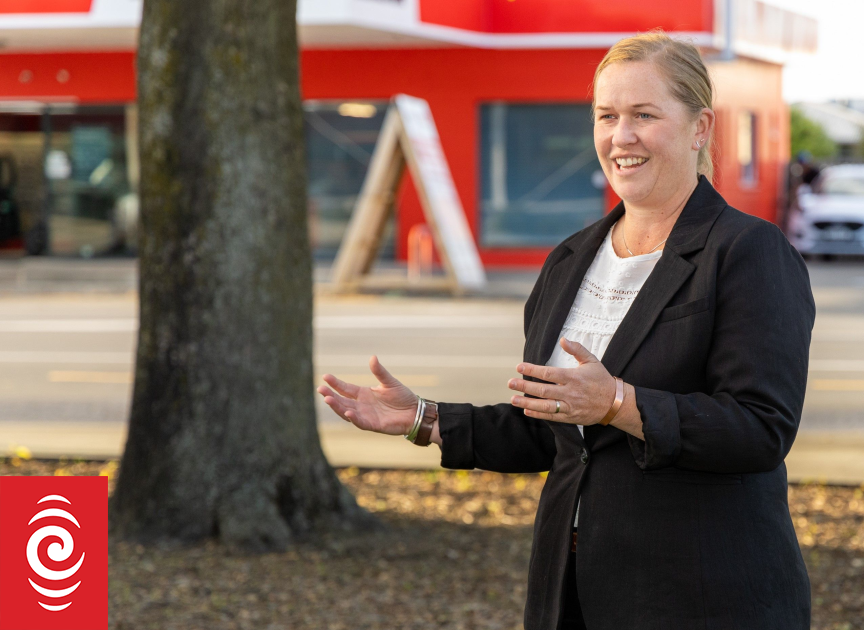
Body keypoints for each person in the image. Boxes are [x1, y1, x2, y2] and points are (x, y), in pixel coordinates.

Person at [318, 30, 816, 630]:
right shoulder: (572, 258)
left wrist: (619, 403)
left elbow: (760, 429)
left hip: (701, 598)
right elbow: (549, 432)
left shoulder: (746, 252)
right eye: (606, 116)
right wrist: (424, 418)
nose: (620, 136)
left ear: (700, 128)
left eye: (644, 115)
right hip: (572, 593)